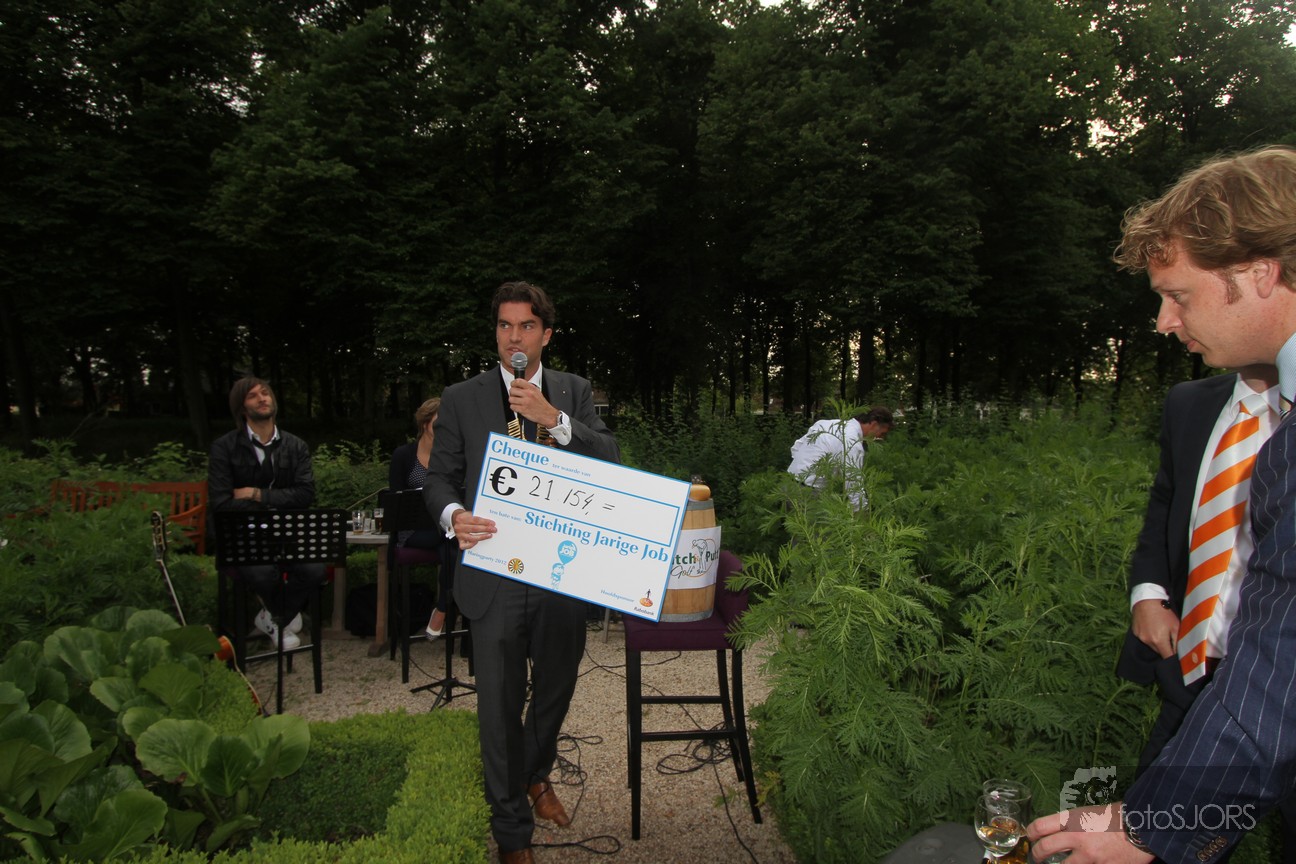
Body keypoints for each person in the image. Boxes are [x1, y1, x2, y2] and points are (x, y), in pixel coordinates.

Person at [1029, 145, 1296, 864]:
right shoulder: (1203, 407)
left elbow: (1285, 660)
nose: (1163, 321)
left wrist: (1156, 827)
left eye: (1178, 294)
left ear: (1259, 271)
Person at [423, 281, 619, 864]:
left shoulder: (573, 391)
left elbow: (609, 459)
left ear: (546, 334)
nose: (515, 337)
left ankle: (534, 774)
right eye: (505, 326)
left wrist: (554, 419)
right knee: (499, 704)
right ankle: (511, 832)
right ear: (496, 333)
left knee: (557, 686)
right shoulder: (461, 397)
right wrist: (453, 516)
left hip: (561, 571)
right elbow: (439, 478)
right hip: (493, 572)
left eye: (526, 326)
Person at [1117, 366, 1279, 774]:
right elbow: (1166, 501)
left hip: (1277, 687)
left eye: (1179, 299)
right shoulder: (1189, 401)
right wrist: (1149, 594)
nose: (1165, 331)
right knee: (1154, 804)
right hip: (1193, 672)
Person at [208, 376, 325, 651]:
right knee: (262, 573)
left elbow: (305, 495)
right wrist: (278, 502)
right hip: (242, 535)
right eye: (253, 396)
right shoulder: (224, 447)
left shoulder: (295, 446)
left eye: (265, 393)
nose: (262, 399)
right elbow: (221, 503)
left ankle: (273, 615)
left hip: (285, 534)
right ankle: (282, 617)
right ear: (241, 407)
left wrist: (255, 494)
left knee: (315, 570)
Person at [388, 397, 457, 638]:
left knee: (451, 550)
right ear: (425, 423)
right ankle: (445, 609)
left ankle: (442, 608)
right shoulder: (403, 455)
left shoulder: (450, 457)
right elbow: (396, 500)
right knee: (453, 543)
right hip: (413, 530)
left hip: (441, 530)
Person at [786, 407, 894, 510]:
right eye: (882, 433)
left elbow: (796, 447)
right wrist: (862, 511)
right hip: (807, 495)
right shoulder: (852, 443)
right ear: (874, 424)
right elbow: (853, 484)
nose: (879, 437)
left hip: (787, 484)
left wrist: (802, 467)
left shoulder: (825, 423)